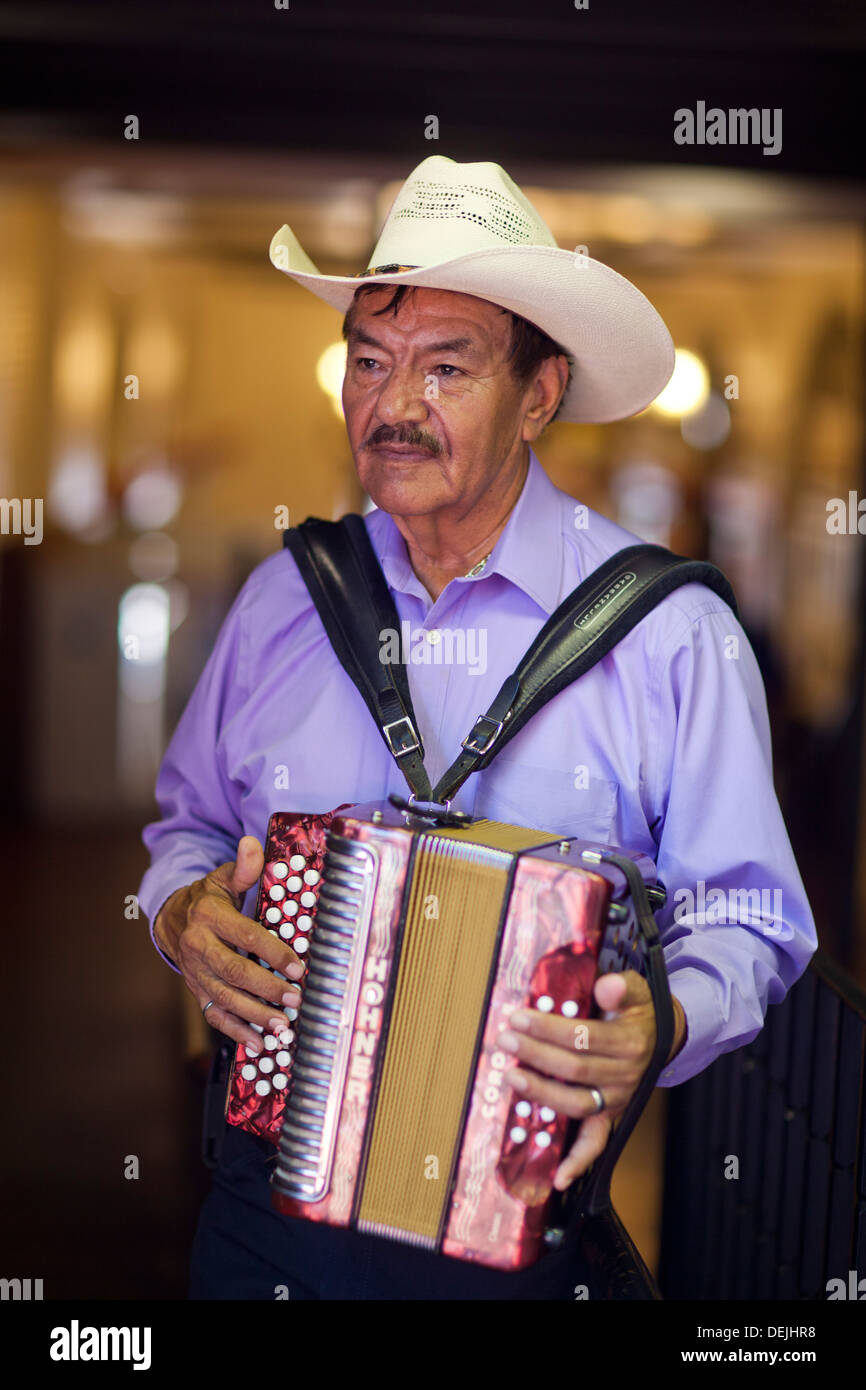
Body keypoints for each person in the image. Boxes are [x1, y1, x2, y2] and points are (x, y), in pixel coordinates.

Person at [138, 156, 817, 1299]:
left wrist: (658, 1019)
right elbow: (188, 828)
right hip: (266, 1224)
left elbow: (750, 918)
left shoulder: (668, 631)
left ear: (539, 394)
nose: (392, 406)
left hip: (514, 1240)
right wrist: (182, 914)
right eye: (369, 361)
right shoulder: (285, 597)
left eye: (445, 368)